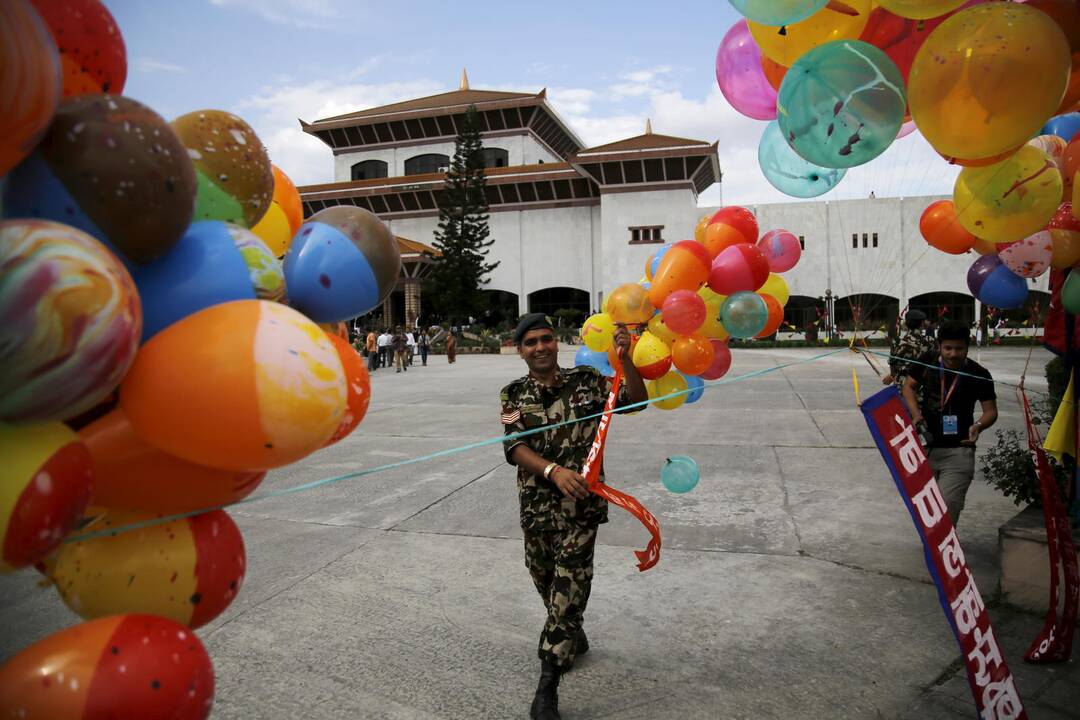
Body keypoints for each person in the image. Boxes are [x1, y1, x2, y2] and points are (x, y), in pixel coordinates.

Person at [500, 313, 647, 720]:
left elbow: (635, 400)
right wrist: (552, 471)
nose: (541, 347)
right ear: (520, 350)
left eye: (546, 339)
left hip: (581, 507)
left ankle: (548, 683)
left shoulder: (586, 381)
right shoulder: (512, 393)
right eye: (531, 342)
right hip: (536, 507)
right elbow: (513, 446)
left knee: (569, 589)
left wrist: (626, 360)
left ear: (556, 343)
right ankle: (569, 631)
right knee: (543, 577)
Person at [903, 321, 998, 526]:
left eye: (959, 348)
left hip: (959, 451)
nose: (953, 354)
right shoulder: (927, 361)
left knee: (947, 507)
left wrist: (979, 425)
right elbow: (909, 387)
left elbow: (990, 411)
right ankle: (935, 552)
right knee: (926, 510)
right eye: (948, 348)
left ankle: (941, 555)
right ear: (939, 346)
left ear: (967, 346)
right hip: (925, 448)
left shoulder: (978, 373)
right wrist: (915, 413)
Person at [882, 309, 937, 393]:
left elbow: (892, 362)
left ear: (906, 324)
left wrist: (892, 375)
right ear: (922, 323)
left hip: (901, 386)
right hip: (921, 385)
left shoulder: (897, 341)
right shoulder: (930, 341)